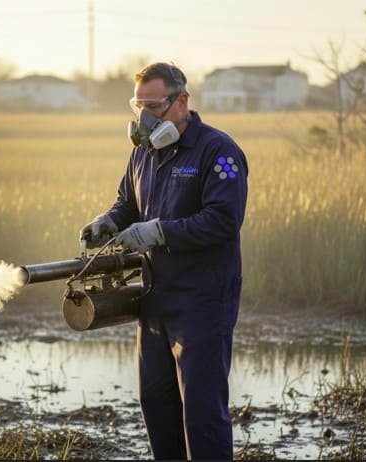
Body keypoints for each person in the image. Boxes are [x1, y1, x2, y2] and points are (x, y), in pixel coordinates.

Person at [80, 62, 248, 459]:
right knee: (157, 407)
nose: (144, 117)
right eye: (138, 106)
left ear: (182, 102)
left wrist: (159, 233)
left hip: (203, 302)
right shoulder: (142, 154)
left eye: (153, 107)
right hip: (155, 302)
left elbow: (223, 221)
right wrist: (108, 221)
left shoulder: (218, 150)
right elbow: (128, 204)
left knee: (202, 413)